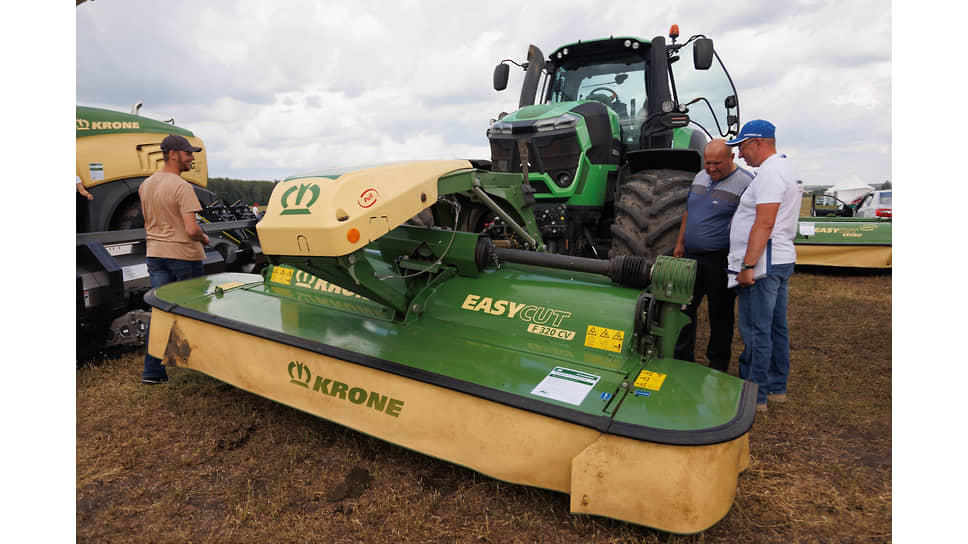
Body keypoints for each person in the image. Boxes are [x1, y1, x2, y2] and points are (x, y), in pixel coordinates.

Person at [725, 120, 801, 414]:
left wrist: (748, 265)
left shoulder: (769, 174)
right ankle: (776, 387)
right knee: (775, 327)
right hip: (781, 258)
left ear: (759, 142)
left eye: (742, 147)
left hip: (764, 263)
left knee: (757, 330)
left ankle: (754, 395)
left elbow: (764, 222)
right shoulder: (785, 169)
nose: (741, 155)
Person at [673, 139, 753, 373]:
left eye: (717, 163)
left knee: (720, 313)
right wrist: (680, 243)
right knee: (684, 307)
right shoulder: (699, 177)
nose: (711, 168)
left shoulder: (746, 183)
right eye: (707, 163)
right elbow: (689, 211)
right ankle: (681, 358)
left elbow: (749, 223)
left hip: (721, 259)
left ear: (732, 158)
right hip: (690, 257)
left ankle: (717, 364)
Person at [139, 134, 210, 384]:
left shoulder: (146, 184)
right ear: (173, 154)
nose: (192, 158)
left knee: (160, 313)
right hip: (183, 255)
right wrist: (203, 238)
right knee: (195, 312)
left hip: (155, 253)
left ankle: (153, 372)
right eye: (188, 153)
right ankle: (206, 367)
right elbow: (191, 229)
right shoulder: (182, 186)